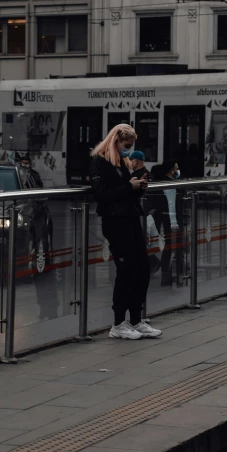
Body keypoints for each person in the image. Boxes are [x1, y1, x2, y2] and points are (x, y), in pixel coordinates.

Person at [90, 123, 161, 340]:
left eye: (131, 145)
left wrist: (138, 186)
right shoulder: (100, 162)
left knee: (142, 268)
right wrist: (129, 187)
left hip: (131, 218)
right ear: (115, 141)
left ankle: (136, 319)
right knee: (127, 270)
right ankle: (119, 322)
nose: (128, 149)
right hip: (115, 221)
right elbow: (101, 194)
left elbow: (126, 193)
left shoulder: (122, 162)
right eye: (126, 145)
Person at [154, 159, 184, 287]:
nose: (178, 169)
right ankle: (170, 274)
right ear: (171, 170)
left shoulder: (166, 181)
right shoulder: (170, 184)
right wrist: (174, 222)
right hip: (172, 220)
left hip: (168, 219)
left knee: (171, 247)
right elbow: (171, 204)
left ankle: (170, 273)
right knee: (172, 247)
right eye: (176, 167)